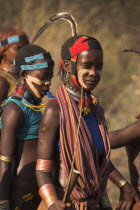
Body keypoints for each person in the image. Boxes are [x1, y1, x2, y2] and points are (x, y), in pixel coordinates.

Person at [36, 35, 139, 210]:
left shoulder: (96, 110)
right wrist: (52, 203)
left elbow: (97, 158)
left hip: (93, 203)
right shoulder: (56, 109)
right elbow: (42, 170)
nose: (93, 72)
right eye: (87, 65)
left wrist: (123, 185)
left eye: (99, 67)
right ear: (69, 65)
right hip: (64, 204)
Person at [0, 44, 54, 210]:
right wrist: (3, 204)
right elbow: (4, 163)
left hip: (42, 194)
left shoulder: (39, 106)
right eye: (43, 77)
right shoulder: (14, 109)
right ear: (24, 74)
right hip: (22, 197)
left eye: (50, 77)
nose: (47, 83)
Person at [0, 28, 29, 109]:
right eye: (18, 48)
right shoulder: (2, 80)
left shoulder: (21, 75)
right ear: (3, 50)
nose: (23, 53)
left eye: (26, 48)